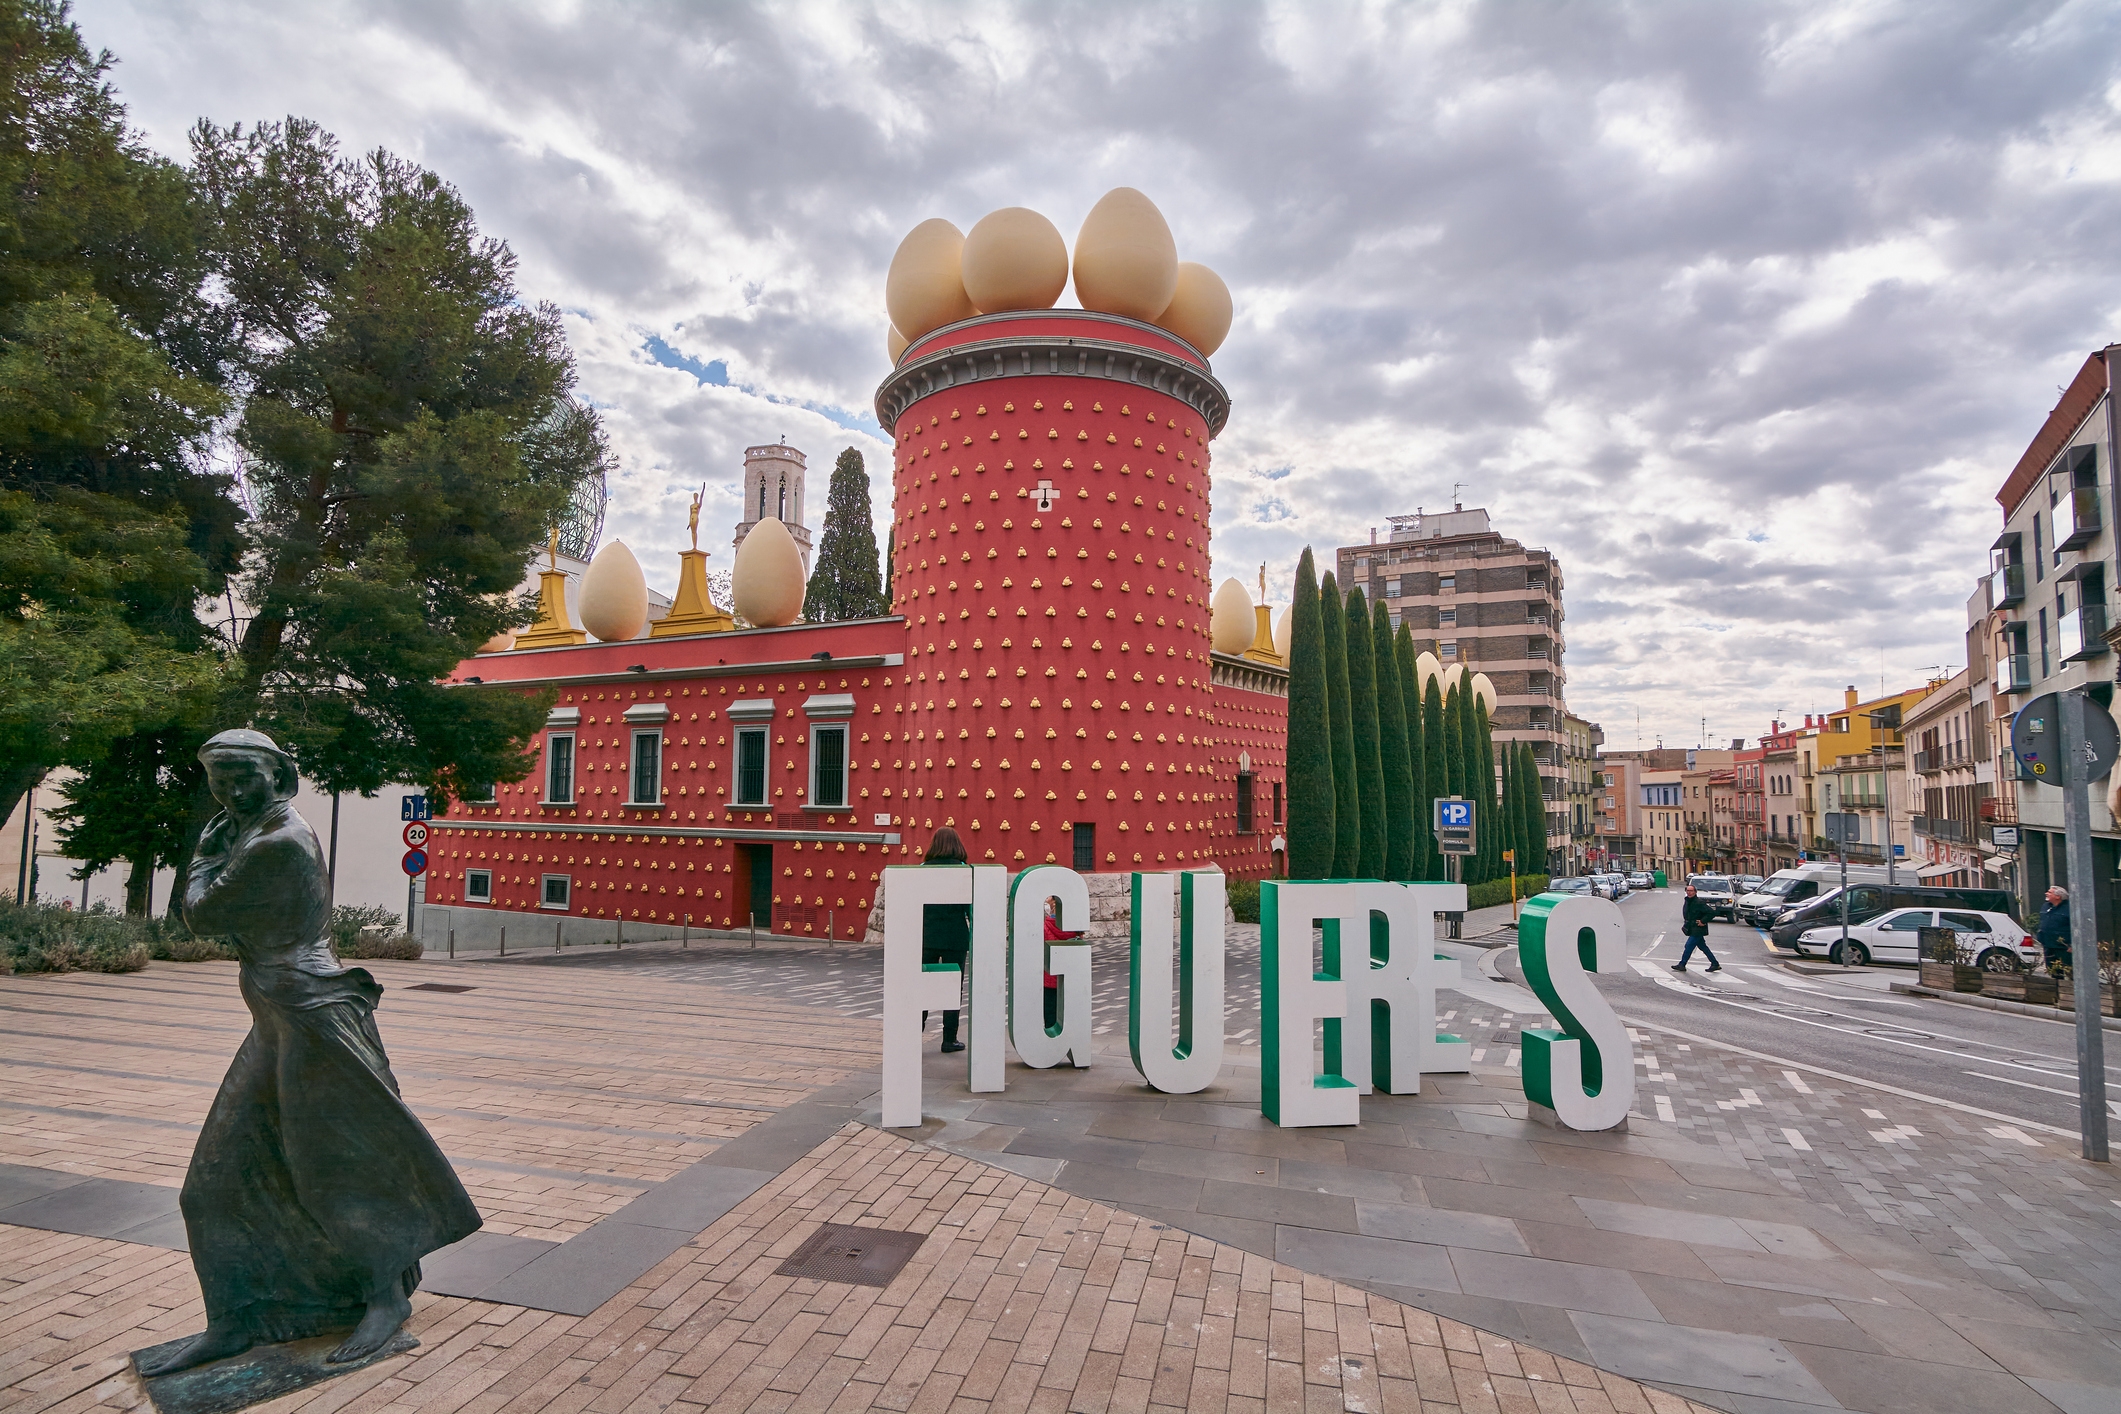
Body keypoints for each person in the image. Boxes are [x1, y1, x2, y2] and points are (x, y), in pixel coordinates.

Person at [137, 730, 480, 1376]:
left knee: (337, 1167)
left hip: (312, 1016)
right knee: (212, 1186)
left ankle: (384, 1300)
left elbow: (200, 916)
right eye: (219, 780)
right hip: (277, 1018)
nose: (231, 791)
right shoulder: (252, 831)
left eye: (244, 777)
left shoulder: (278, 843)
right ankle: (237, 1319)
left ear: (280, 777)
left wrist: (204, 856)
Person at [920, 826, 971, 1052]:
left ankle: (914, 1033)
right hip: (955, 936)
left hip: (927, 935)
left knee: (921, 986)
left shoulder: (921, 869)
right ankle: (949, 1039)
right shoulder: (964, 870)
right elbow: (970, 907)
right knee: (953, 987)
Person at [1042, 896, 1082, 1029]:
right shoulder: (1076, 931)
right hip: (1069, 980)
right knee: (1069, 1016)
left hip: (1048, 981)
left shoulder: (1043, 928)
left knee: (1050, 1018)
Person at [1672, 882, 1721, 972]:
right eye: (1688, 890)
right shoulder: (1688, 901)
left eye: (1691, 891)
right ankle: (1715, 964)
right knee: (1703, 947)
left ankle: (1682, 964)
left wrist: (1703, 921)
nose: (1689, 892)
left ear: (1695, 892)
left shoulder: (1699, 902)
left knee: (1689, 945)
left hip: (1698, 928)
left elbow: (1711, 912)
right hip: (1691, 927)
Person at [2036, 885, 2071, 970]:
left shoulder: (2069, 908)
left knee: (2068, 970)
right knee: (2053, 970)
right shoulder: (2046, 906)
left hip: (2063, 947)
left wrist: (2072, 945)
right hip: (2048, 945)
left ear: (2058, 896)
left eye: (2049, 892)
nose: (2046, 893)